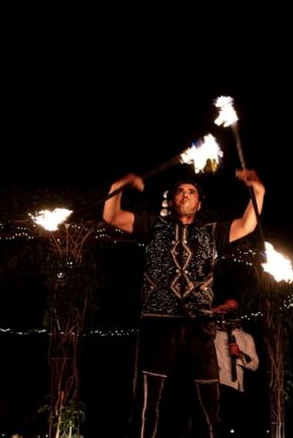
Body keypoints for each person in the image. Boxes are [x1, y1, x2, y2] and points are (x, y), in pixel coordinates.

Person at [103, 169, 265, 438]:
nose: (186, 195)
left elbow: (247, 224)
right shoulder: (153, 225)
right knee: (148, 398)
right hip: (158, 320)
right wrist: (119, 184)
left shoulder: (212, 232)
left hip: (199, 323)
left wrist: (258, 191)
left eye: (192, 192)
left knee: (207, 398)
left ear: (199, 204)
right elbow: (112, 216)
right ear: (171, 200)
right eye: (180, 191)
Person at [213, 299, 259, 438]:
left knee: (234, 427)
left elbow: (255, 364)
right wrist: (216, 310)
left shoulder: (246, 337)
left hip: (236, 387)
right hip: (218, 385)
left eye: (234, 309)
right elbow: (195, 318)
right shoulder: (214, 333)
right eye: (228, 308)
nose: (231, 312)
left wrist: (240, 354)